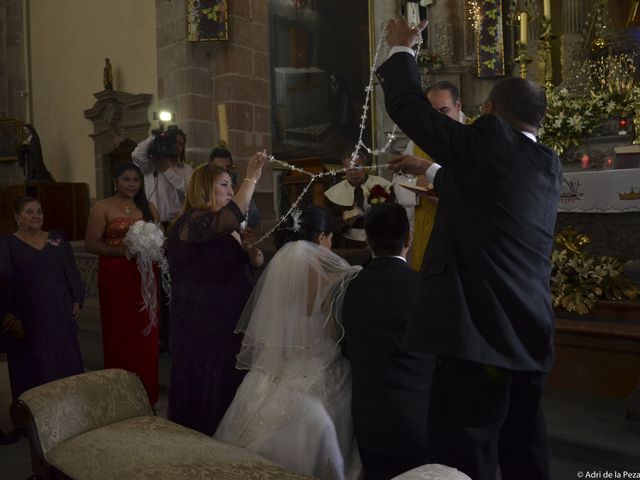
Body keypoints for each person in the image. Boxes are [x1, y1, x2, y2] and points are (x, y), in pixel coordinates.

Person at [379, 18, 561, 480]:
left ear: (490, 109)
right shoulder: (545, 165)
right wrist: (433, 168)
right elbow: (485, 196)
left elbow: (406, 106)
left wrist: (402, 48)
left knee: (465, 452)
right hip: (529, 331)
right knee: (525, 451)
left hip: (479, 334)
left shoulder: (490, 137)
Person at [215, 205, 363, 480]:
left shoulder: (280, 267)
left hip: (277, 362)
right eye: (329, 238)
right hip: (319, 361)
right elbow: (334, 329)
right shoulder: (336, 276)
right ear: (321, 239)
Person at [167, 155, 265, 436]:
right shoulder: (193, 222)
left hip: (231, 319)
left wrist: (251, 249)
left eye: (231, 186)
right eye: (224, 185)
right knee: (209, 384)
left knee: (229, 384)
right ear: (203, 188)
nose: (231, 191)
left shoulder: (227, 226)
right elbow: (234, 212)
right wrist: (252, 177)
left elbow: (256, 263)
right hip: (205, 322)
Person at [341, 202, 436, 480]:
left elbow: (347, 347)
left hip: (367, 419)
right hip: (415, 417)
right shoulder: (424, 287)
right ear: (409, 238)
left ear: (368, 239)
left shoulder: (352, 286)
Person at [85, 162, 161, 404]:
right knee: (120, 331)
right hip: (116, 275)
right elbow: (91, 244)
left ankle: (146, 391)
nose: (131, 184)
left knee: (145, 334)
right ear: (115, 181)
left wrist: (151, 249)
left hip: (145, 276)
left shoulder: (148, 207)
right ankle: (119, 395)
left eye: (136, 180)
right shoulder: (102, 207)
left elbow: (159, 239)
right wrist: (126, 253)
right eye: (126, 179)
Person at [0, 196, 84, 402]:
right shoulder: (7, 244)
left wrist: (76, 298)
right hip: (28, 320)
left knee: (66, 366)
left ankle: (71, 417)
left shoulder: (57, 239)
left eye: (39, 211)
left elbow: (71, 271)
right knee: (33, 371)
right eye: (29, 212)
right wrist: (10, 318)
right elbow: (3, 282)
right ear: (17, 217)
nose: (36, 216)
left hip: (59, 314)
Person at [394, 81, 466, 271]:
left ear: (458, 105)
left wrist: (447, 192)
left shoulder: (474, 135)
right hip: (427, 226)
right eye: (432, 113)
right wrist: (418, 184)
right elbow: (398, 182)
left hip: (464, 228)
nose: (437, 119)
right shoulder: (419, 138)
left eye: (444, 111)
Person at [325, 148, 392, 248]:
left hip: (380, 240)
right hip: (349, 244)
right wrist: (343, 220)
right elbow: (328, 223)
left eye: (357, 167)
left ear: (365, 167)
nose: (353, 173)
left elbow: (393, 215)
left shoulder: (383, 185)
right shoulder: (333, 193)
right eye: (349, 168)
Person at [132, 128, 193, 224]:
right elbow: (136, 155)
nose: (177, 146)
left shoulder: (187, 169)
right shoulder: (150, 165)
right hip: (153, 221)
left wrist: (167, 170)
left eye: (181, 144)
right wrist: (155, 137)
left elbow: (190, 190)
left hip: (178, 221)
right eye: (174, 142)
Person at [209, 146, 261, 229]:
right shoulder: (205, 190)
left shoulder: (238, 188)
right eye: (219, 169)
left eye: (228, 168)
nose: (225, 172)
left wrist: (240, 196)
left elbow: (254, 218)